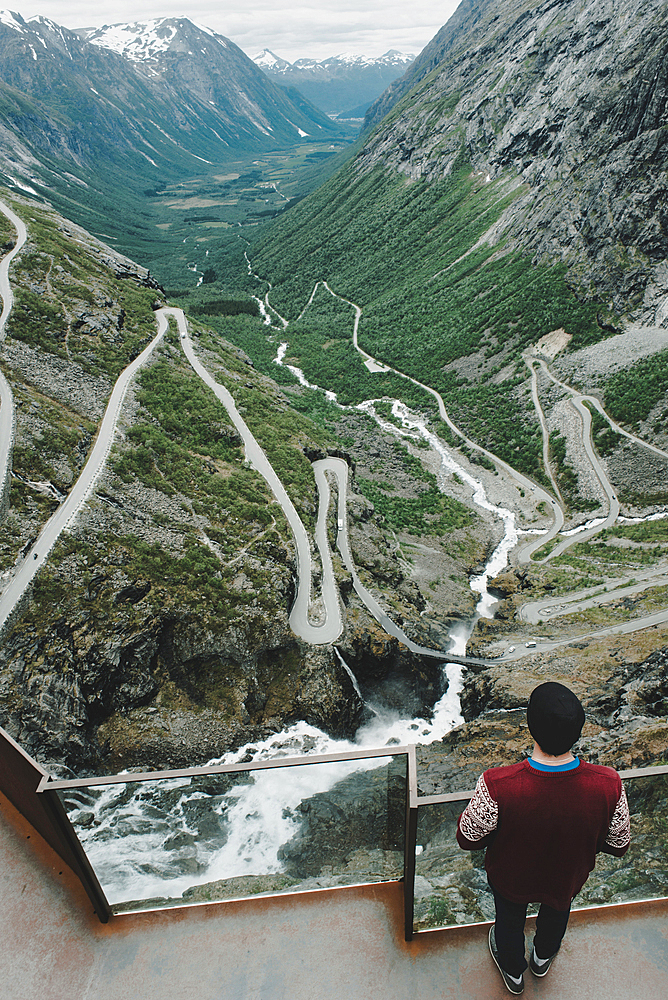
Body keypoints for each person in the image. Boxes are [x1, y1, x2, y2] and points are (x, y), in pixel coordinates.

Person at [456, 681, 630, 995]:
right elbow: (618, 844)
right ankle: (542, 956)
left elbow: (468, 837)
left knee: (508, 921)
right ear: (578, 732)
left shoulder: (498, 783)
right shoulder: (608, 782)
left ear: (530, 726)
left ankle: (513, 971)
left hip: (511, 877)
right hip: (566, 875)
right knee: (557, 912)